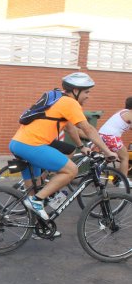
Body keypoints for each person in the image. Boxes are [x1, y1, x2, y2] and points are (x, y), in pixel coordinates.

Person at [9, 72, 118, 221]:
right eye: (86, 92)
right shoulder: (70, 103)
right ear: (75, 90)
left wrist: (81, 146)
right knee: (71, 170)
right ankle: (36, 201)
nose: (88, 96)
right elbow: (88, 129)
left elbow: (69, 128)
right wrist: (107, 151)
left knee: (34, 191)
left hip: (18, 143)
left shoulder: (58, 98)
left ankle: (37, 226)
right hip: (32, 145)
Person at [98, 97, 132, 184]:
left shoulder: (122, 111)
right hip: (111, 137)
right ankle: (123, 181)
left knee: (109, 157)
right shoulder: (130, 114)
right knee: (124, 157)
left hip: (102, 135)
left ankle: (97, 173)